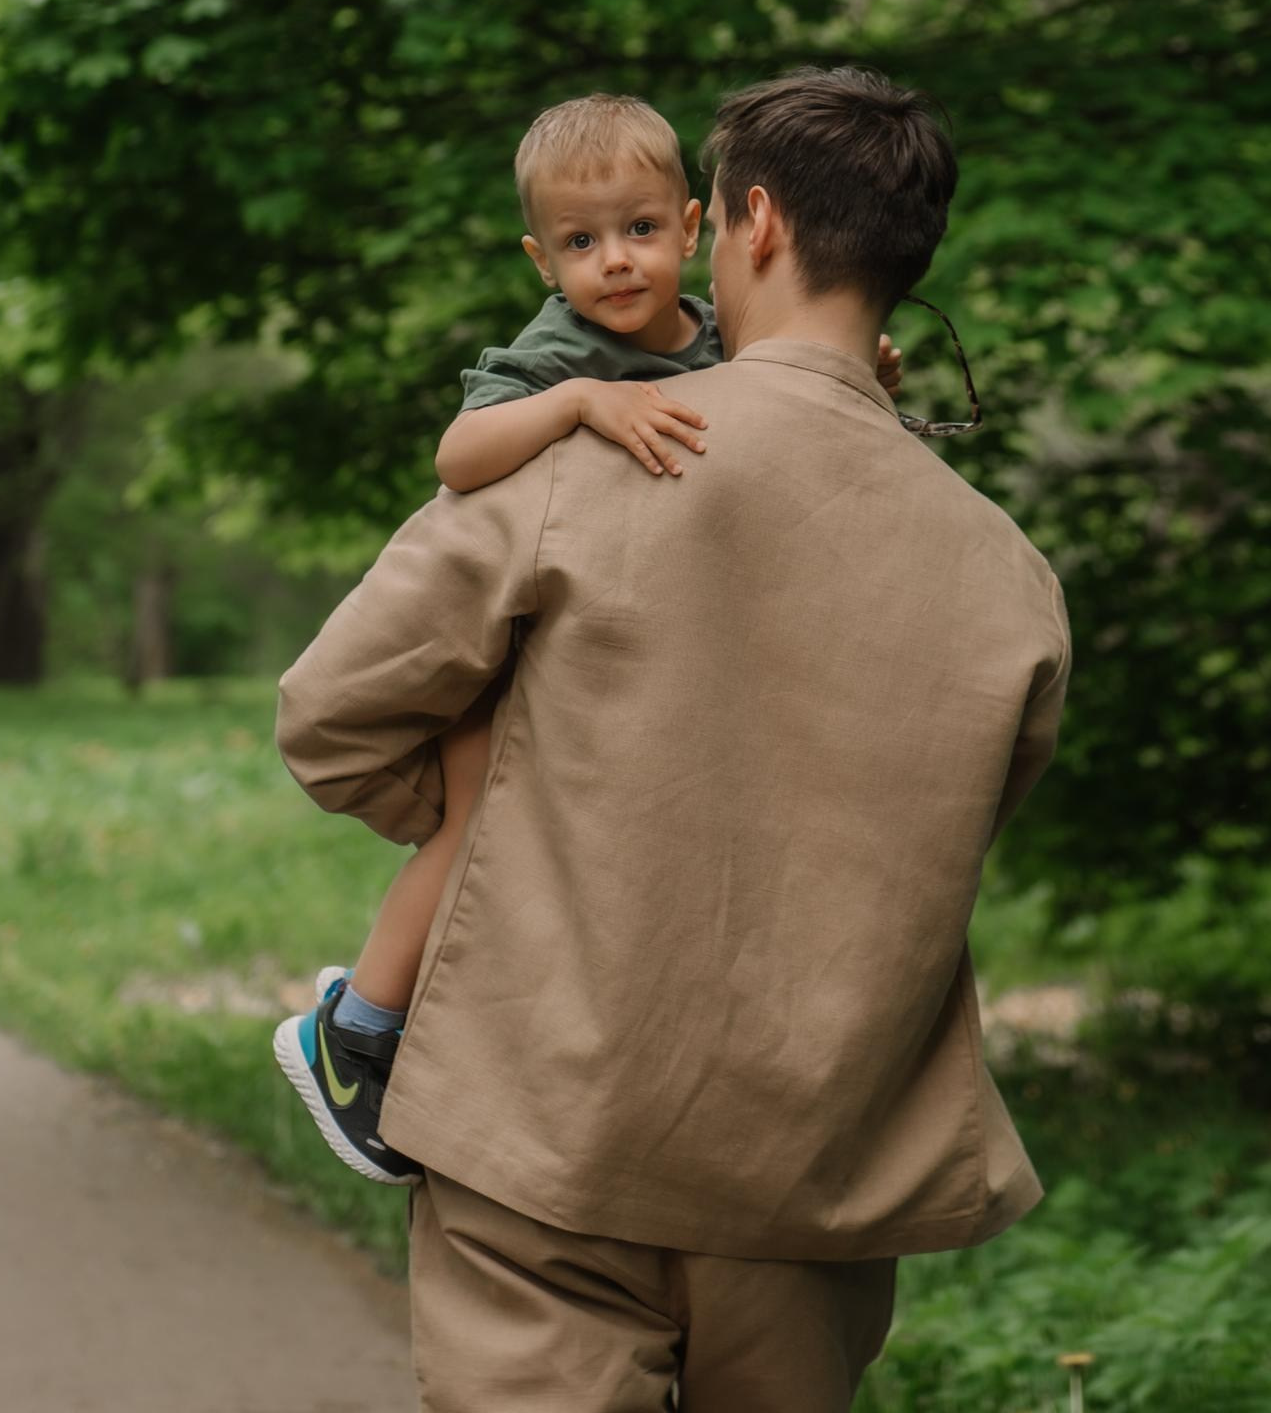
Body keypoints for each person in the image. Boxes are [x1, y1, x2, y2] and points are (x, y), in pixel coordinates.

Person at [273, 65, 1068, 1413]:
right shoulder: (1004, 572)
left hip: (543, 1140)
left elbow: (331, 717)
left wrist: (495, 820)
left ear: (749, 221)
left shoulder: (591, 455)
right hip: (809, 1179)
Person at [271, 86, 901, 1180]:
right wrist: (574, 407)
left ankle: (458, 1033)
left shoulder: (715, 341)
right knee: (473, 834)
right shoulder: (557, 352)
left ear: (695, 229)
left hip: (593, 655)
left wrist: (868, 385)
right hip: (501, 653)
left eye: (640, 231)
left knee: (551, 859)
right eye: (579, 242)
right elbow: (458, 456)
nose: (613, 262)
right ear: (540, 260)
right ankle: (354, 1029)